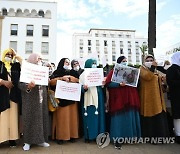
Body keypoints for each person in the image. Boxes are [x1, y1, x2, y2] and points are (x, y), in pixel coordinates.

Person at [105, 56, 141, 149]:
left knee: (129, 118)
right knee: (118, 120)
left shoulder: (131, 71)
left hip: (130, 99)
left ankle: (129, 137)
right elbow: (108, 83)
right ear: (119, 62)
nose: (125, 62)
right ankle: (117, 139)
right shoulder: (114, 71)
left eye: (126, 61)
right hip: (119, 100)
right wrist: (118, 84)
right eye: (123, 61)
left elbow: (136, 83)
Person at [18, 53, 50, 151]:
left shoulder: (43, 70)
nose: (39, 61)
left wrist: (47, 80)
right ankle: (27, 142)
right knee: (29, 119)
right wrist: (28, 86)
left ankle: (41, 140)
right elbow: (20, 84)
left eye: (40, 59)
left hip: (41, 98)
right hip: (29, 99)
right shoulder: (26, 70)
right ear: (32, 60)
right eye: (38, 59)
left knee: (41, 119)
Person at [139, 54, 169, 141]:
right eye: (147, 60)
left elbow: (158, 79)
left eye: (151, 60)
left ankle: (161, 137)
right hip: (147, 98)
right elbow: (148, 77)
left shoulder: (155, 70)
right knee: (150, 116)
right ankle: (151, 137)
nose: (149, 62)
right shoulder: (142, 69)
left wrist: (163, 81)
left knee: (159, 116)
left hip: (157, 98)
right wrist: (152, 67)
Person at [49, 58, 79, 144]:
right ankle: (60, 137)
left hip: (72, 99)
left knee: (72, 119)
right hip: (60, 99)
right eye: (66, 62)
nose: (67, 64)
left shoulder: (72, 72)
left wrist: (70, 78)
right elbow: (51, 82)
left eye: (69, 63)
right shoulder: (56, 72)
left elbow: (78, 81)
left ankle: (73, 136)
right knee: (62, 119)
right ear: (62, 63)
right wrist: (62, 78)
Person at [79, 59, 105, 142]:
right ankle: (88, 136)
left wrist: (103, 83)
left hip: (98, 97)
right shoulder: (83, 75)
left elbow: (102, 86)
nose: (94, 65)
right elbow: (80, 88)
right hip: (88, 98)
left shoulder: (98, 73)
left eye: (95, 63)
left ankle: (99, 136)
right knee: (89, 118)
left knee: (99, 118)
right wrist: (84, 88)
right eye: (92, 63)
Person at [0, 48, 21, 147]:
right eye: (7, 54)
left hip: (13, 95)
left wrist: (16, 55)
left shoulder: (16, 66)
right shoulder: (0, 64)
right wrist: (3, 82)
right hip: (2, 94)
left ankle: (12, 139)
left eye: (11, 55)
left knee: (13, 118)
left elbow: (25, 66)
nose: (9, 56)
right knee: (3, 117)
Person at [166, 51, 180, 143]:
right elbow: (170, 82)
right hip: (176, 96)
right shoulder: (172, 69)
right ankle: (178, 135)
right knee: (178, 116)